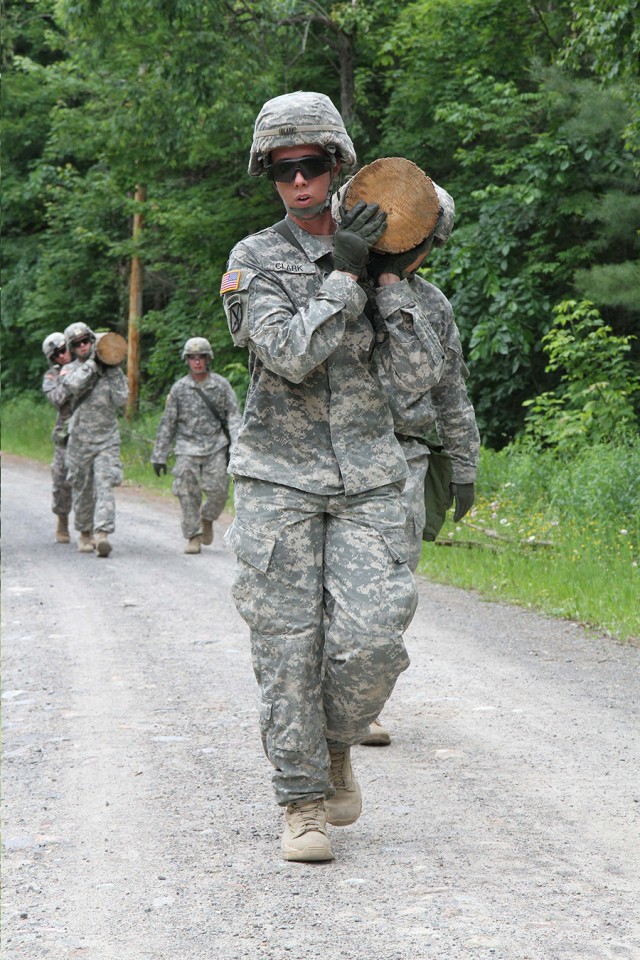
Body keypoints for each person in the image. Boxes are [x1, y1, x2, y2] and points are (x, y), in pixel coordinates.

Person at [220, 91, 450, 863]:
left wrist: (387, 282)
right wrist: (340, 281)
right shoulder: (253, 260)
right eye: (282, 170)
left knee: (374, 640)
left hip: (370, 477)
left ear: (339, 166)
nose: (298, 182)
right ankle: (302, 801)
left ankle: (338, 742)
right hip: (278, 480)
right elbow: (285, 353)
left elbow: (415, 381)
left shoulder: (381, 255)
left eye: (311, 165)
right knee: (288, 647)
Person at [359, 182, 480, 747]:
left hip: (404, 459)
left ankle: (368, 701)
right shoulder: (337, 282)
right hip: (334, 457)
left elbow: (451, 391)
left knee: (390, 591)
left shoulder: (431, 305)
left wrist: (463, 465)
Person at [150, 337, 242, 554]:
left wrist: (236, 448)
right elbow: (168, 423)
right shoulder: (180, 389)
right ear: (187, 360)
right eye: (193, 358)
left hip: (215, 446)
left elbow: (234, 417)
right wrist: (159, 455)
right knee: (187, 492)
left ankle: (207, 518)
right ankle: (193, 535)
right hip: (186, 447)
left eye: (201, 357)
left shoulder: (221, 385)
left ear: (208, 359)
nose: (197, 362)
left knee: (219, 491)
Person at [59, 321, 129, 557]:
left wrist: (110, 368)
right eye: (77, 344)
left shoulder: (112, 370)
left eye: (86, 341)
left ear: (93, 340)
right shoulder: (70, 370)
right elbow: (71, 387)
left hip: (107, 439)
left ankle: (102, 535)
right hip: (79, 440)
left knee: (105, 484)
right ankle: (85, 532)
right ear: (71, 348)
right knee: (82, 488)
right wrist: (92, 364)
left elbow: (122, 400)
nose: (83, 346)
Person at [41, 332, 73, 543]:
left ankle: (94, 529)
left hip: (90, 432)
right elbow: (56, 398)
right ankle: (62, 519)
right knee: (60, 480)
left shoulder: (90, 366)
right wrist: (69, 378)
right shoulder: (52, 376)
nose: (62, 356)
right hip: (65, 434)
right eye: (57, 354)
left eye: (64, 350)